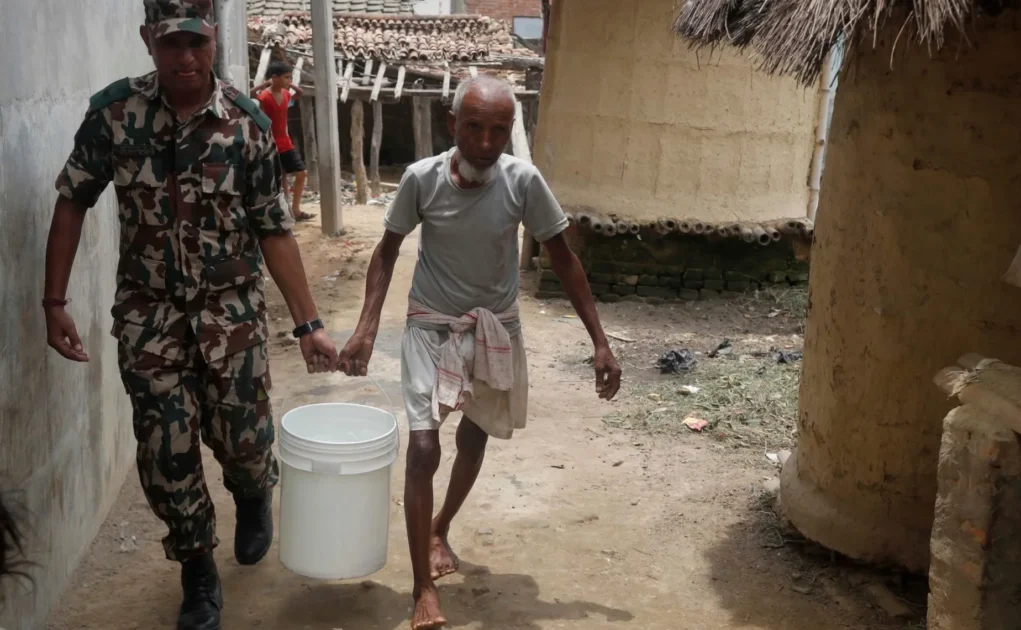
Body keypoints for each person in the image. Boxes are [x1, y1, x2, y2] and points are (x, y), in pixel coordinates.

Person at [43, 2, 338, 628]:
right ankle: (197, 570)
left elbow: (274, 229)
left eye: (196, 44)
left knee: (246, 442)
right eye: (171, 43)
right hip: (150, 320)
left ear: (211, 41)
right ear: (148, 38)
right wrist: (54, 301)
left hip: (230, 319)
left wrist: (308, 325)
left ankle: (254, 489)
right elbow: (72, 200)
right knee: (165, 451)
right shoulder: (113, 117)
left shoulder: (247, 124)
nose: (185, 58)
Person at [337, 76, 622, 630]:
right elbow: (387, 251)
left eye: (498, 130)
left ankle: (441, 525)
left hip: (494, 331)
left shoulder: (523, 181)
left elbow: (563, 258)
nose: (487, 143)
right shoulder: (421, 180)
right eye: (474, 128)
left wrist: (601, 342)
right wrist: (367, 327)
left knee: (474, 435)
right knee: (423, 450)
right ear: (452, 124)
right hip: (430, 328)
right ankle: (422, 587)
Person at [252, 61, 314, 222]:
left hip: (285, 142)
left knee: (301, 173)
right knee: (282, 178)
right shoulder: (265, 97)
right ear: (274, 78)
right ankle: (288, 211)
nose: (289, 80)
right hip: (271, 143)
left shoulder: (286, 94)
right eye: (286, 77)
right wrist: (265, 84)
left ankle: (295, 209)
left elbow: (299, 93)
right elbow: (251, 95)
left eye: (290, 77)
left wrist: (291, 85)